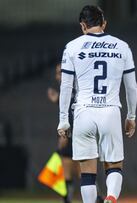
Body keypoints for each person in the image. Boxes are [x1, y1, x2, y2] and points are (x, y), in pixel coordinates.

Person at [57, 5, 137, 203]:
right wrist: (131, 116)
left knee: (87, 173)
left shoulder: (72, 47)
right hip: (110, 111)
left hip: (83, 112)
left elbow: (66, 87)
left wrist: (63, 120)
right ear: (104, 24)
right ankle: (110, 197)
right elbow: (131, 87)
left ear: (83, 25)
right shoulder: (122, 46)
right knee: (114, 165)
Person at [48, 63, 79, 203]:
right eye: (57, 73)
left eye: (60, 72)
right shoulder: (70, 88)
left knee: (79, 170)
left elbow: (73, 113)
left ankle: (95, 197)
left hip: (75, 134)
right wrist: (58, 100)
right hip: (75, 134)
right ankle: (95, 197)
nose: (57, 76)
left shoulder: (72, 88)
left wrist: (65, 135)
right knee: (76, 171)